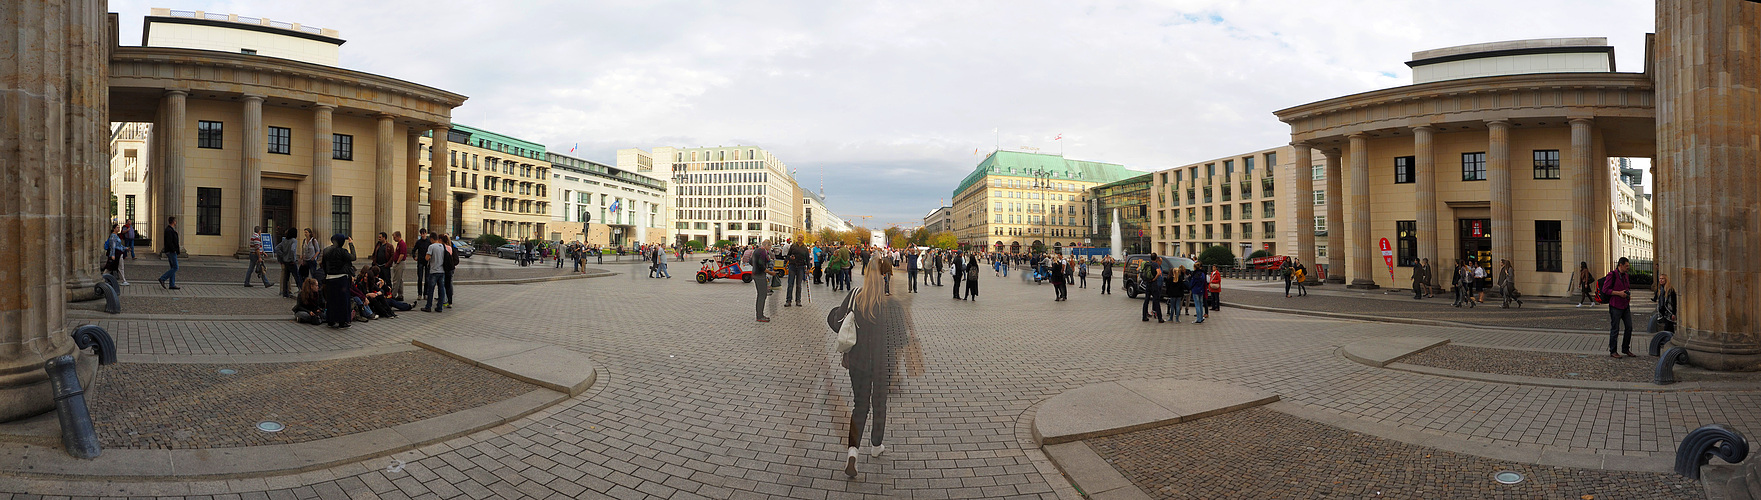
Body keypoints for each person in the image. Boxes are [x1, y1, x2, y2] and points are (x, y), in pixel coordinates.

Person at [841, 258, 902, 478]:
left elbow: (837, 320)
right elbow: (901, 338)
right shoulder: (892, 304)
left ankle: (853, 452)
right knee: (879, 403)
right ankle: (876, 444)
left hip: (858, 361)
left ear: (866, 275)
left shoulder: (856, 297)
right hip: (882, 363)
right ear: (886, 276)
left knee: (859, 405)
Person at [319, 234, 356, 328]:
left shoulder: (326, 251)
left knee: (331, 300)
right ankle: (342, 321)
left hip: (330, 278)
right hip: (341, 278)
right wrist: (351, 244)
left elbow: (323, 264)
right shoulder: (342, 251)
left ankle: (331, 320)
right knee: (342, 301)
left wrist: (327, 274)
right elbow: (353, 257)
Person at [1603, 257, 1635, 358]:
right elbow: (1605, 290)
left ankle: (1625, 348)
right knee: (1615, 329)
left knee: (1629, 327)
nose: (1628, 268)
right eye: (1626, 266)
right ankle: (1613, 351)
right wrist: (1618, 293)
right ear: (1620, 265)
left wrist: (1627, 293)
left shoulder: (1626, 276)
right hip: (1615, 305)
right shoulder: (1612, 275)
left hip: (1625, 304)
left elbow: (1627, 287)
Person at [421, 234, 447, 313]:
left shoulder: (431, 246)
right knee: (441, 289)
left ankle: (428, 306)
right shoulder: (443, 246)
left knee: (431, 289)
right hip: (442, 270)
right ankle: (439, 307)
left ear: (431, 239)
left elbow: (427, 258)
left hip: (434, 270)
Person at [750, 240, 774, 322]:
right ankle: (759, 316)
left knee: (761, 294)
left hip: (755, 273)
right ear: (766, 245)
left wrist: (755, 266)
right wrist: (769, 272)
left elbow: (751, 261)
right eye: (769, 246)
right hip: (759, 275)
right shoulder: (762, 252)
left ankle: (760, 314)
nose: (770, 248)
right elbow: (761, 265)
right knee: (762, 295)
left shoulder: (756, 250)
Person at [156, 216, 181, 290]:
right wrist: (174, 250)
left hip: (170, 251)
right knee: (175, 267)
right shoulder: (169, 230)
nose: (176, 222)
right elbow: (170, 242)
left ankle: (172, 284)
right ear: (173, 222)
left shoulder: (170, 230)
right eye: (175, 221)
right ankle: (162, 278)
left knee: (173, 267)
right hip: (171, 251)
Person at [275, 227, 299, 298]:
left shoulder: (285, 240)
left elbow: (277, 248)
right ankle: (301, 290)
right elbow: (292, 249)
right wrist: (293, 259)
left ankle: (285, 293)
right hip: (291, 261)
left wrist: (283, 256)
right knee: (297, 277)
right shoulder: (294, 240)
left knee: (286, 278)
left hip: (285, 261)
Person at [1140, 255, 1164, 322]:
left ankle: (1144, 316)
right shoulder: (1155, 264)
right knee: (1156, 300)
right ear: (1156, 258)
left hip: (1148, 284)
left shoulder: (1148, 264)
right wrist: (1154, 279)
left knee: (1146, 300)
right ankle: (1160, 318)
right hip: (1154, 285)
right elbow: (1158, 273)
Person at [786, 240, 810, 306]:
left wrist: (808, 268)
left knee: (799, 285)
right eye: (799, 237)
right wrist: (790, 258)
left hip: (801, 267)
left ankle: (798, 300)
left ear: (803, 239)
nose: (800, 239)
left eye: (801, 238)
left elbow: (807, 258)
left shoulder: (805, 248)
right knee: (790, 284)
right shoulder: (793, 246)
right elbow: (788, 256)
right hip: (792, 266)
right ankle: (788, 300)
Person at [442, 234, 459, 309]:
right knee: (448, 284)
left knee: (446, 284)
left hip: (448, 268)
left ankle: (446, 299)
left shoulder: (448, 247)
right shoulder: (451, 246)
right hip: (451, 268)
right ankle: (448, 299)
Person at [390, 231, 408, 301]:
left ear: (398, 236)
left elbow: (402, 254)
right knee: (400, 280)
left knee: (396, 280)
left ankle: (393, 295)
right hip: (399, 263)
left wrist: (397, 262)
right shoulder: (399, 244)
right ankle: (400, 295)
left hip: (400, 263)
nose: (394, 239)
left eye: (394, 237)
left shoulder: (402, 244)